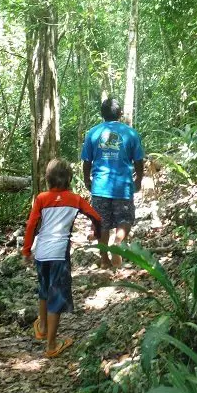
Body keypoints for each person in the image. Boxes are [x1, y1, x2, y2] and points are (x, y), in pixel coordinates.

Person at [22, 158, 101, 357]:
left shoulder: (41, 198)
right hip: (59, 253)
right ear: (69, 179)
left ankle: (41, 328)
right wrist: (96, 233)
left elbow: (31, 225)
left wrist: (26, 250)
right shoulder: (75, 199)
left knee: (44, 289)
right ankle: (51, 346)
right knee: (56, 298)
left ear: (47, 179)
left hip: (41, 251)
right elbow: (97, 217)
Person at [81, 97, 144, 269]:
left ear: (102, 114)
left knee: (102, 223)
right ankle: (117, 242)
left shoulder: (92, 133)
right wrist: (139, 178)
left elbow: (87, 162)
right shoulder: (131, 133)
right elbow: (139, 160)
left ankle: (104, 259)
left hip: (100, 186)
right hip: (122, 186)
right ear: (120, 113)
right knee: (125, 218)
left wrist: (87, 180)